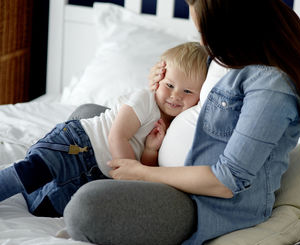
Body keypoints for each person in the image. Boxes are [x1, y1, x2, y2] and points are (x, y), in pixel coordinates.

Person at [63, 0, 300, 245]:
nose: (204, 42)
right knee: (87, 114)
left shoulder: (271, 88)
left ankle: (83, 185)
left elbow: (226, 181)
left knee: (85, 209)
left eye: (205, 32)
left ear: (231, 27)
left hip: (200, 203)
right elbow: (189, 106)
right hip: (160, 170)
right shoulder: (223, 59)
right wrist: (163, 85)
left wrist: (142, 173)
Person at [0, 42, 208, 217]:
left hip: (95, 173)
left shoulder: (174, 128)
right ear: (159, 78)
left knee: (44, 208)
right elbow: (118, 136)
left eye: (188, 91)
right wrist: (130, 178)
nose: (175, 96)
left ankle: (28, 188)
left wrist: (151, 151)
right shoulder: (145, 100)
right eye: (170, 85)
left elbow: (147, 168)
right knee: (31, 172)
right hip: (77, 144)